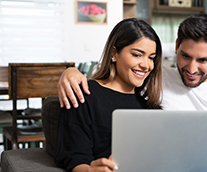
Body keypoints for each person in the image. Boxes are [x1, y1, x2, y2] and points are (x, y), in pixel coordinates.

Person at [58, 13, 207, 172]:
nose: (192, 69)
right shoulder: (153, 84)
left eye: (203, 60)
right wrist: (69, 72)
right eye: (185, 56)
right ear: (177, 47)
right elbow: (75, 155)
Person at [54, 18, 163, 172]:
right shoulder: (83, 95)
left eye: (151, 57)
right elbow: (75, 158)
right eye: (137, 55)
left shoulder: (151, 107)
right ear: (114, 53)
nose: (146, 65)